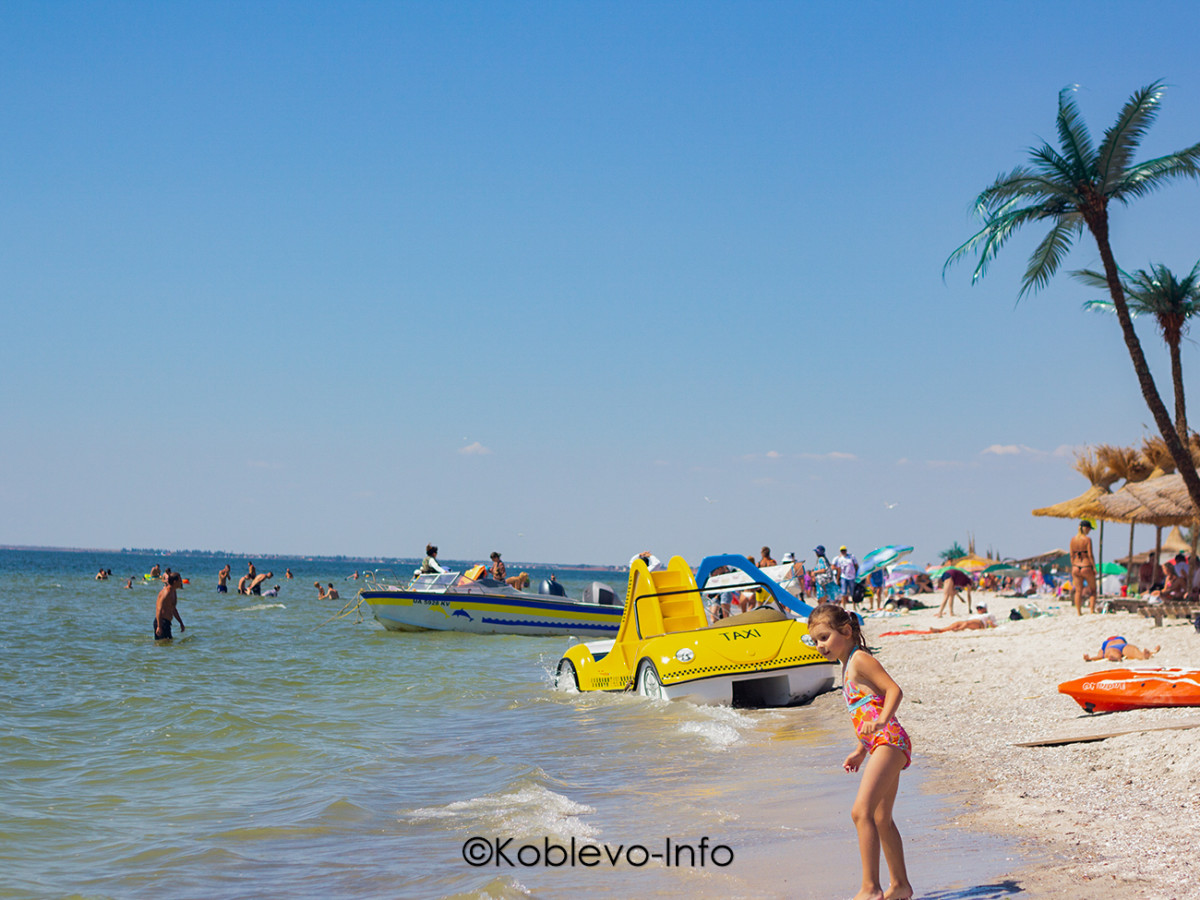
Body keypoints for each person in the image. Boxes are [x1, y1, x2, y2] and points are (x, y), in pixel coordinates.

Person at [806, 603, 912, 900]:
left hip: (888, 740)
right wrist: (860, 751)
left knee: (860, 812)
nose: (820, 646)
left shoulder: (860, 659)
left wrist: (881, 722)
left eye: (824, 637)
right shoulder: (847, 665)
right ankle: (900, 886)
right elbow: (867, 709)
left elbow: (894, 691)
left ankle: (870, 888)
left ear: (846, 631)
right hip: (880, 743)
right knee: (880, 817)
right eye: (815, 641)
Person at [1070, 520, 1097, 615]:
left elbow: (1071, 556)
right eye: (1089, 529)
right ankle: (1091, 610)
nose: (1090, 531)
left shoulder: (1073, 540)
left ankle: (1079, 612)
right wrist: (1094, 567)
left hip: (1075, 566)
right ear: (1087, 528)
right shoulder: (1087, 539)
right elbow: (1090, 555)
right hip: (1086, 566)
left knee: (1078, 591)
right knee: (1093, 590)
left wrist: (1074, 565)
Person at [154, 573, 185, 640]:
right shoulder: (166, 592)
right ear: (175, 582)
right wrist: (159, 626)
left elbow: (173, 609)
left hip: (167, 623)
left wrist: (181, 623)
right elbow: (159, 609)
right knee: (162, 644)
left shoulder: (173, 592)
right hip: (161, 622)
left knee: (168, 644)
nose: (181, 582)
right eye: (180, 580)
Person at [1084, 635, 1160, 662]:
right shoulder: (1120, 638)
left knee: (1113, 652)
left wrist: (1090, 658)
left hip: (1111, 648)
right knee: (1135, 651)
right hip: (1124, 645)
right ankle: (1144, 655)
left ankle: (1116, 657)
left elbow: (1100, 656)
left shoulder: (1105, 643)